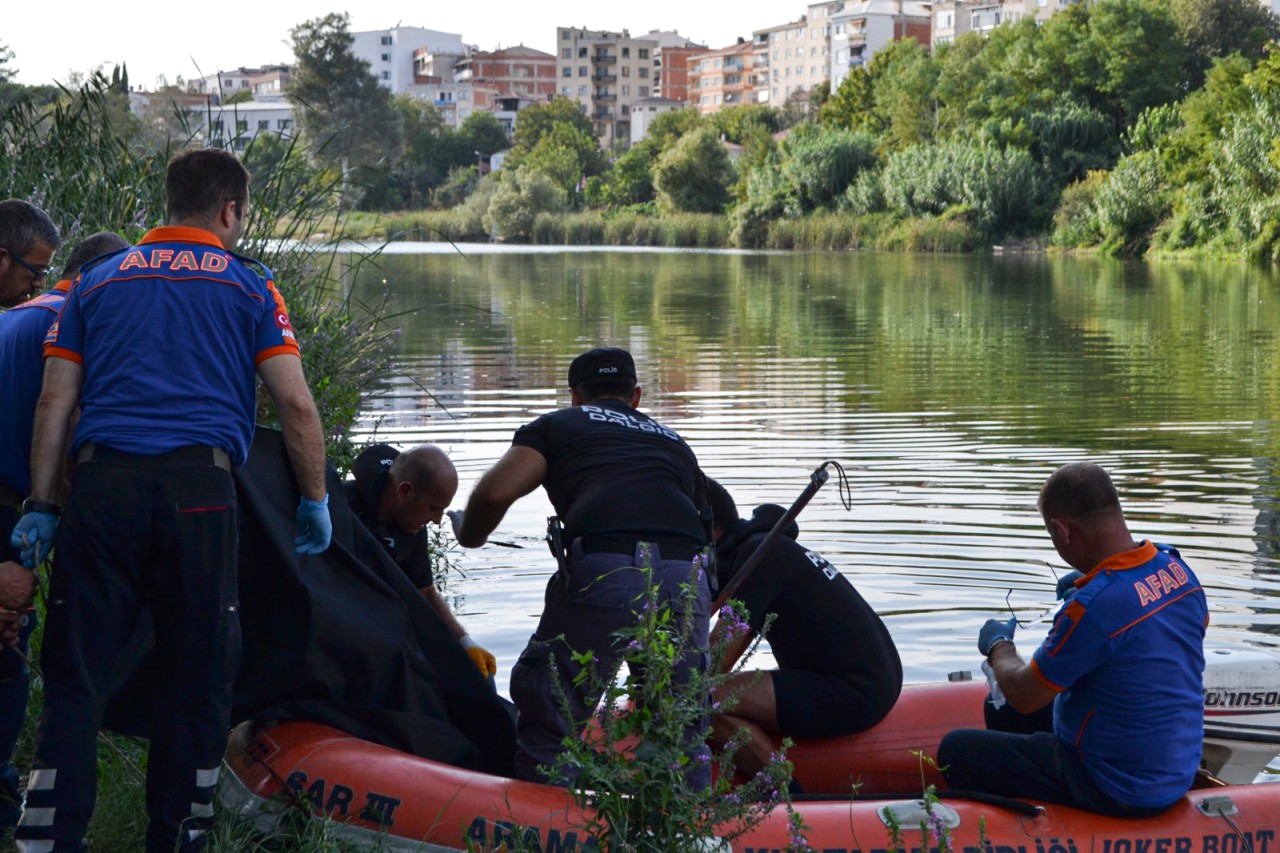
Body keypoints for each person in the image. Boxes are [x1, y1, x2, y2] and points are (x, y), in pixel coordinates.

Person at [10, 148, 332, 852]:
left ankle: (47, 839)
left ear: (169, 200)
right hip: (200, 498)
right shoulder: (253, 289)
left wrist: (41, 503)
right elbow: (297, 407)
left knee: (77, 674)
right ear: (228, 211)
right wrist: (314, 498)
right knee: (198, 679)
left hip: (102, 491)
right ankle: (178, 836)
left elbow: (53, 403)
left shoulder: (95, 281)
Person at [450, 347, 712, 785]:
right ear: (637, 396)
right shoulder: (674, 442)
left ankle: (546, 832)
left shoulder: (557, 425)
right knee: (681, 733)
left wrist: (469, 534)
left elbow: (496, 493)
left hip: (607, 571)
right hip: (687, 575)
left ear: (575, 396)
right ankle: (687, 832)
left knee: (552, 717)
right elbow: (712, 519)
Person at [937, 462, 1208, 818]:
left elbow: (1023, 693)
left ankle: (1034, 829)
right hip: (1174, 766)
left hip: (1118, 785)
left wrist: (998, 646)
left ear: (1063, 530)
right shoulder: (1177, 569)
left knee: (956, 749)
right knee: (997, 708)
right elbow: (1150, 639)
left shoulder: (1094, 605)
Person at [0, 231, 128, 827]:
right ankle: (7, 798)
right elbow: (69, 422)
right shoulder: (73, 323)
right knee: (10, 652)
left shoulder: (17, 316)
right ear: (100, 279)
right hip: (16, 509)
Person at [706, 479, 902, 783]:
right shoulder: (767, 548)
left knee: (701, 702)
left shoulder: (759, 557)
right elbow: (728, 651)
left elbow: (715, 660)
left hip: (854, 691)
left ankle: (786, 797)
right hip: (872, 679)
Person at [345, 442, 497, 680]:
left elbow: (424, 592)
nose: (436, 521)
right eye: (434, 509)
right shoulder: (341, 508)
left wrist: (464, 642)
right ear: (405, 492)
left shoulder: (411, 525)